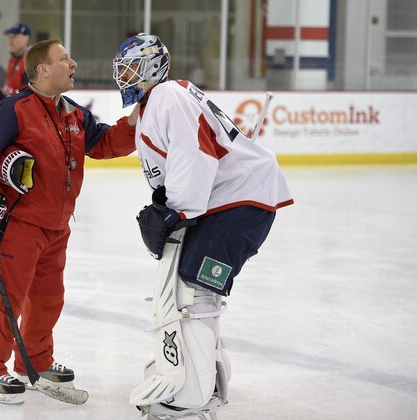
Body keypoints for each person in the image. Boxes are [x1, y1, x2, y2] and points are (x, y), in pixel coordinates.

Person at [112, 34, 294, 419]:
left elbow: (195, 151)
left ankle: (191, 398)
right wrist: (167, 204)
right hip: (231, 203)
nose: (124, 75)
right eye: (122, 69)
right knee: (196, 289)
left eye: (131, 67)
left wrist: (176, 210)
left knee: (195, 292)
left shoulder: (166, 96)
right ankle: (204, 381)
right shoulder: (157, 103)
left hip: (238, 203)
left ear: (153, 67)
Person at [0, 39, 140, 405]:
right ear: (43, 69)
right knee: (4, 300)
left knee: (48, 299)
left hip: (57, 227)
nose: (73, 63)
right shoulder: (13, 110)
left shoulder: (72, 113)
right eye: (64, 59)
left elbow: (104, 143)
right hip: (18, 226)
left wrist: (137, 120)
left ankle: (34, 363)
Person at [0, 22, 31, 100]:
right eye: (9, 37)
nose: (10, 40)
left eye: (14, 37)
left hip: (22, 106)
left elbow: (29, 91)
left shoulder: (31, 59)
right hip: (12, 103)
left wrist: (12, 93)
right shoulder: (13, 58)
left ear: (26, 38)